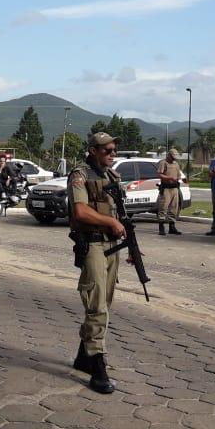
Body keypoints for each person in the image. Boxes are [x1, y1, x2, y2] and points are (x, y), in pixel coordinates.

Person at [67, 132, 126, 394]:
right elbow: (80, 211)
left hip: (112, 246)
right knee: (97, 304)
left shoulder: (112, 177)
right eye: (107, 150)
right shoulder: (79, 175)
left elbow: (120, 214)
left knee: (105, 302)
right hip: (92, 244)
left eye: (114, 149)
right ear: (93, 150)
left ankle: (84, 356)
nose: (112, 153)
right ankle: (97, 366)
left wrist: (131, 245)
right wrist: (111, 223)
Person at [156, 148, 183, 235]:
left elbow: (179, 175)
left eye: (175, 157)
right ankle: (161, 227)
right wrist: (169, 178)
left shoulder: (176, 164)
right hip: (166, 188)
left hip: (174, 188)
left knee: (174, 207)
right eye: (172, 156)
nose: (174, 158)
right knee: (163, 207)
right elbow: (160, 174)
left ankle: (172, 227)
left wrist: (178, 178)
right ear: (169, 155)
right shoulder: (163, 163)